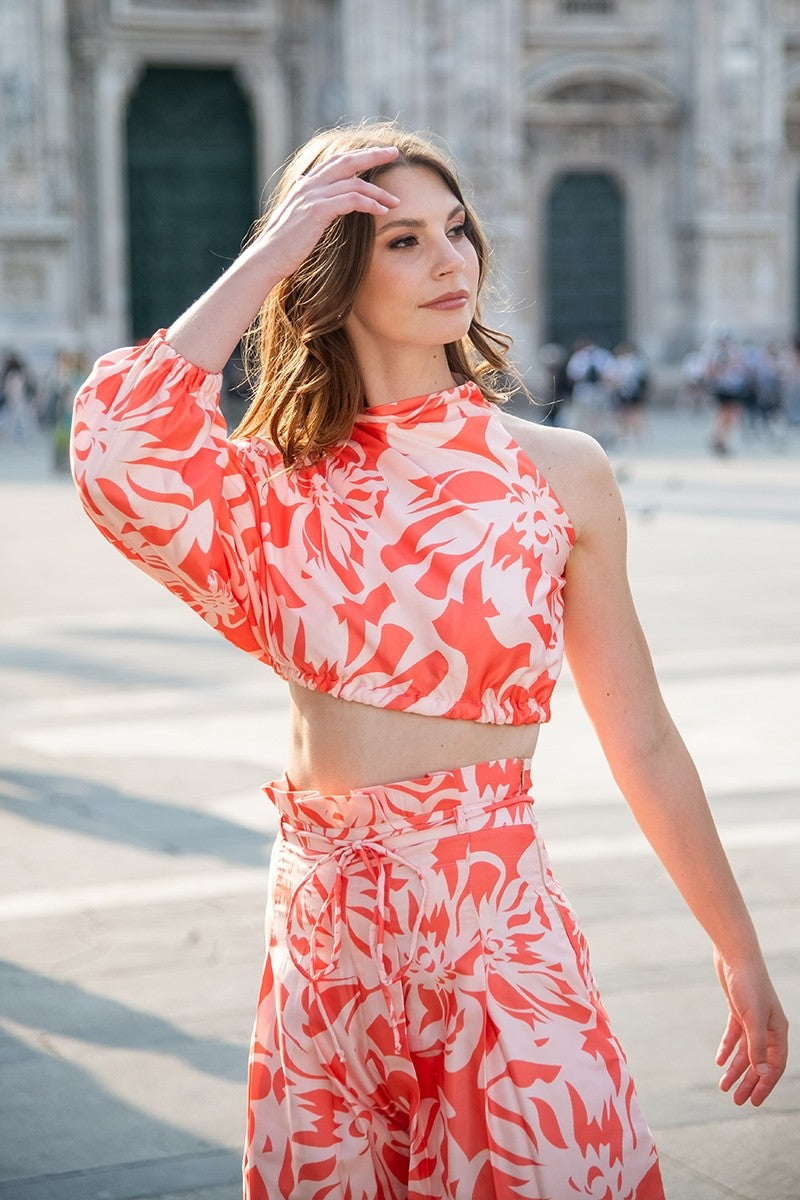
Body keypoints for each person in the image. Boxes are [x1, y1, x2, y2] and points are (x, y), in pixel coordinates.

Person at [70, 122, 787, 1200]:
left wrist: (736, 949)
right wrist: (271, 247)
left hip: (493, 942)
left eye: (455, 229)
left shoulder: (557, 473)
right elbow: (120, 444)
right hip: (323, 958)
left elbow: (636, 731)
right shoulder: (273, 484)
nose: (450, 260)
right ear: (332, 270)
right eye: (400, 240)